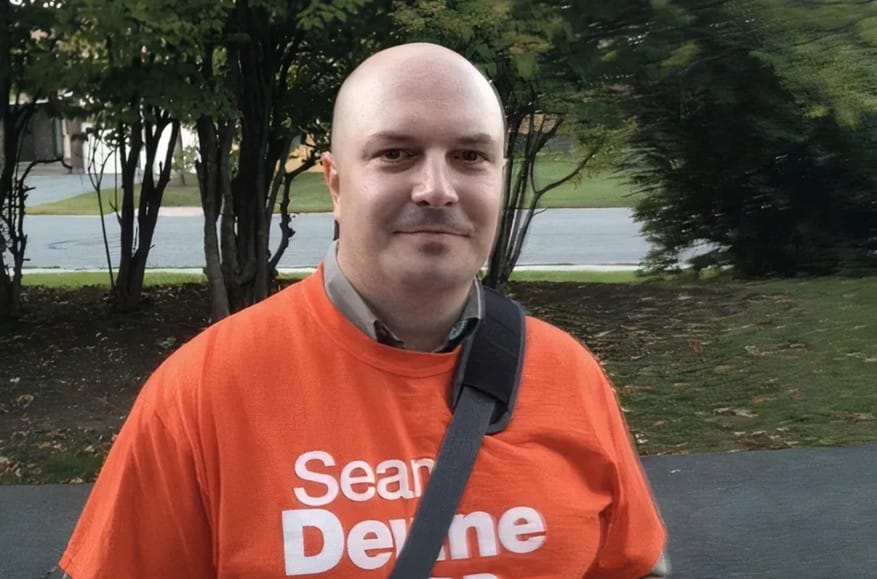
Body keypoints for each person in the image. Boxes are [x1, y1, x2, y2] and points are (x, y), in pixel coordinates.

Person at [59, 42, 668, 578]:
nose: (437, 189)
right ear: (335, 183)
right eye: (396, 153)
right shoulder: (202, 393)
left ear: (500, 178)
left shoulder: (568, 376)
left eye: (470, 156)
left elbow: (631, 566)